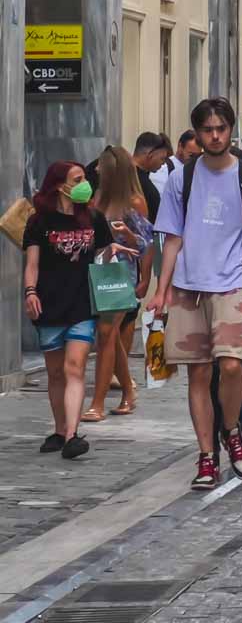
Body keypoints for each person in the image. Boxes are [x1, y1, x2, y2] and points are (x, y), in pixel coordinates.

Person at [150, 98, 242, 489]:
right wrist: (161, 290)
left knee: (233, 365)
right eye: (207, 130)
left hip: (233, 282)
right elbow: (171, 238)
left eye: (221, 128)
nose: (215, 136)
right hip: (188, 286)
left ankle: (232, 431)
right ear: (198, 133)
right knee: (198, 374)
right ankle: (206, 457)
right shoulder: (180, 179)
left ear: (231, 129)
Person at [24, 161, 124, 459]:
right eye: (78, 179)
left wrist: (121, 245)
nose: (85, 184)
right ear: (59, 185)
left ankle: (71, 436)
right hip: (49, 304)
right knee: (56, 373)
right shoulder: (39, 222)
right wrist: (30, 292)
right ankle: (59, 429)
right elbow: (32, 264)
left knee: (74, 368)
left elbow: (104, 255)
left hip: (82, 304)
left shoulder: (93, 218)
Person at [82, 147, 155, 421]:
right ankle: (128, 390)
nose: (97, 170)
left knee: (105, 332)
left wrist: (145, 278)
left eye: (101, 166)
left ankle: (97, 403)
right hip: (98, 269)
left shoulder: (134, 202)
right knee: (109, 336)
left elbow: (147, 242)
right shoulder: (96, 197)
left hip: (121, 273)